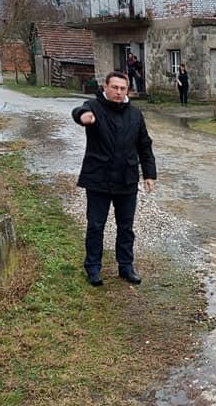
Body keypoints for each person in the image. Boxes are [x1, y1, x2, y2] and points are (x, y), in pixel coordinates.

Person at [71, 71, 157, 286]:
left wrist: (149, 174)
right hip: (98, 179)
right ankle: (93, 268)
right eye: (115, 87)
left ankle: (126, 266)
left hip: (126, 179)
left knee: (126, 227)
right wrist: (83, 117)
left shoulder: (135, 114)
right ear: (105, 87)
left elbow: (144, 145)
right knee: (95, 226)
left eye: (122, 88)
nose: (118, 92)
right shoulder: (94, 107)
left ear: (127, 90)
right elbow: (79, 111)